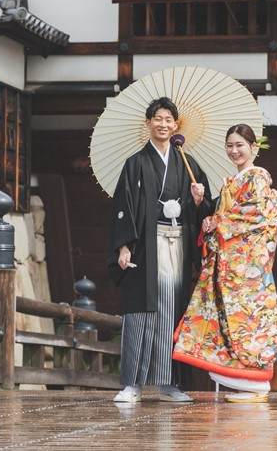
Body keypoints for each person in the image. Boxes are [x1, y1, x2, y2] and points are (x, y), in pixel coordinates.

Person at [172, 123, 277, 403]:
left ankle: (256, 381)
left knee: (247, 319)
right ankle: (245, 380)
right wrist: (203, 203)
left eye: (240, 145)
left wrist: (218, 220)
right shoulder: (233, 180)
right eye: (230, 145)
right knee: (232, 320)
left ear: (253, 147)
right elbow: (226, 214)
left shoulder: (257, 176)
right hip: (232, 264)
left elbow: (257, 213)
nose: (234, 150)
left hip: (245, 267)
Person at [108, 97, 213, 404]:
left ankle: (169, 383)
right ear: (148, 123)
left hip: (178, 242)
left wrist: (198, 200)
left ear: (176, 125)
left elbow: (206, 211)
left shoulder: (188, 163)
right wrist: (123, 246)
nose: (163, 124)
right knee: (140, 310)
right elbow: (122, 207)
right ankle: (132, 384)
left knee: (173, 310)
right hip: (145, 245)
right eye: (158, 118)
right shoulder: (136, 163)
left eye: (169, 119)